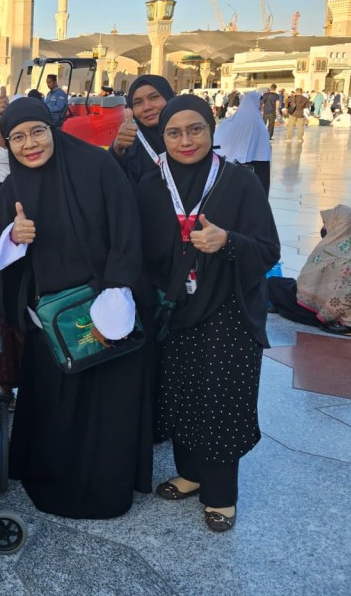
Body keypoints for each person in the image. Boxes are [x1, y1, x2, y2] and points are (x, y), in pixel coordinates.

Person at [0, 98, 151, 519]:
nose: (30, 145)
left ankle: (106, 488)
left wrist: (117, 290)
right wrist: (13, 236)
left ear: (52, 129)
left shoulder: (96, 167)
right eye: (18, 138)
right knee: (58, 405)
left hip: (104, 307)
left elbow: (127, 227)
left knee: (104, 404)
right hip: (53, 320)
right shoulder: (14, 186)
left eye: (37, 132)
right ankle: (53, 481)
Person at [137, 95, 279, 533]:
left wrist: (229, 241)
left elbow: (269, 249)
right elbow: (138, 248)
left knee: (220, 401)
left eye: (195, 129)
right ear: (162, 138)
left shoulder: (240, 183)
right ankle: (191, 473)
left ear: (212, 130)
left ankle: (222, 495)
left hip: (227, 310)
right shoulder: (150, 185)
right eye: (174, 133)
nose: (186, 141)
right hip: (175, 309)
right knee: (180, 394)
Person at [294, 205, 351, 332]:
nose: (325, 228)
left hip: (338, 314)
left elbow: (306, 284)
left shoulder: (332, 255)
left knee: (276, 287)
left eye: (327, 223)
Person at [109, 74, 176, 186]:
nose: (147, 107)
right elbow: (111, 181)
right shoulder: (130, 144)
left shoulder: (190, 137)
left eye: (154, 97)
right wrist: (117, 150)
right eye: (138, 102)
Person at [213, 89, 272, 195]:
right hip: (258, 163)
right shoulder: (258, 123)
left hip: (233, 165)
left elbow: (218, 139)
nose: (261, 106)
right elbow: (263, 146)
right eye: (260, 103)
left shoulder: (230, 121)